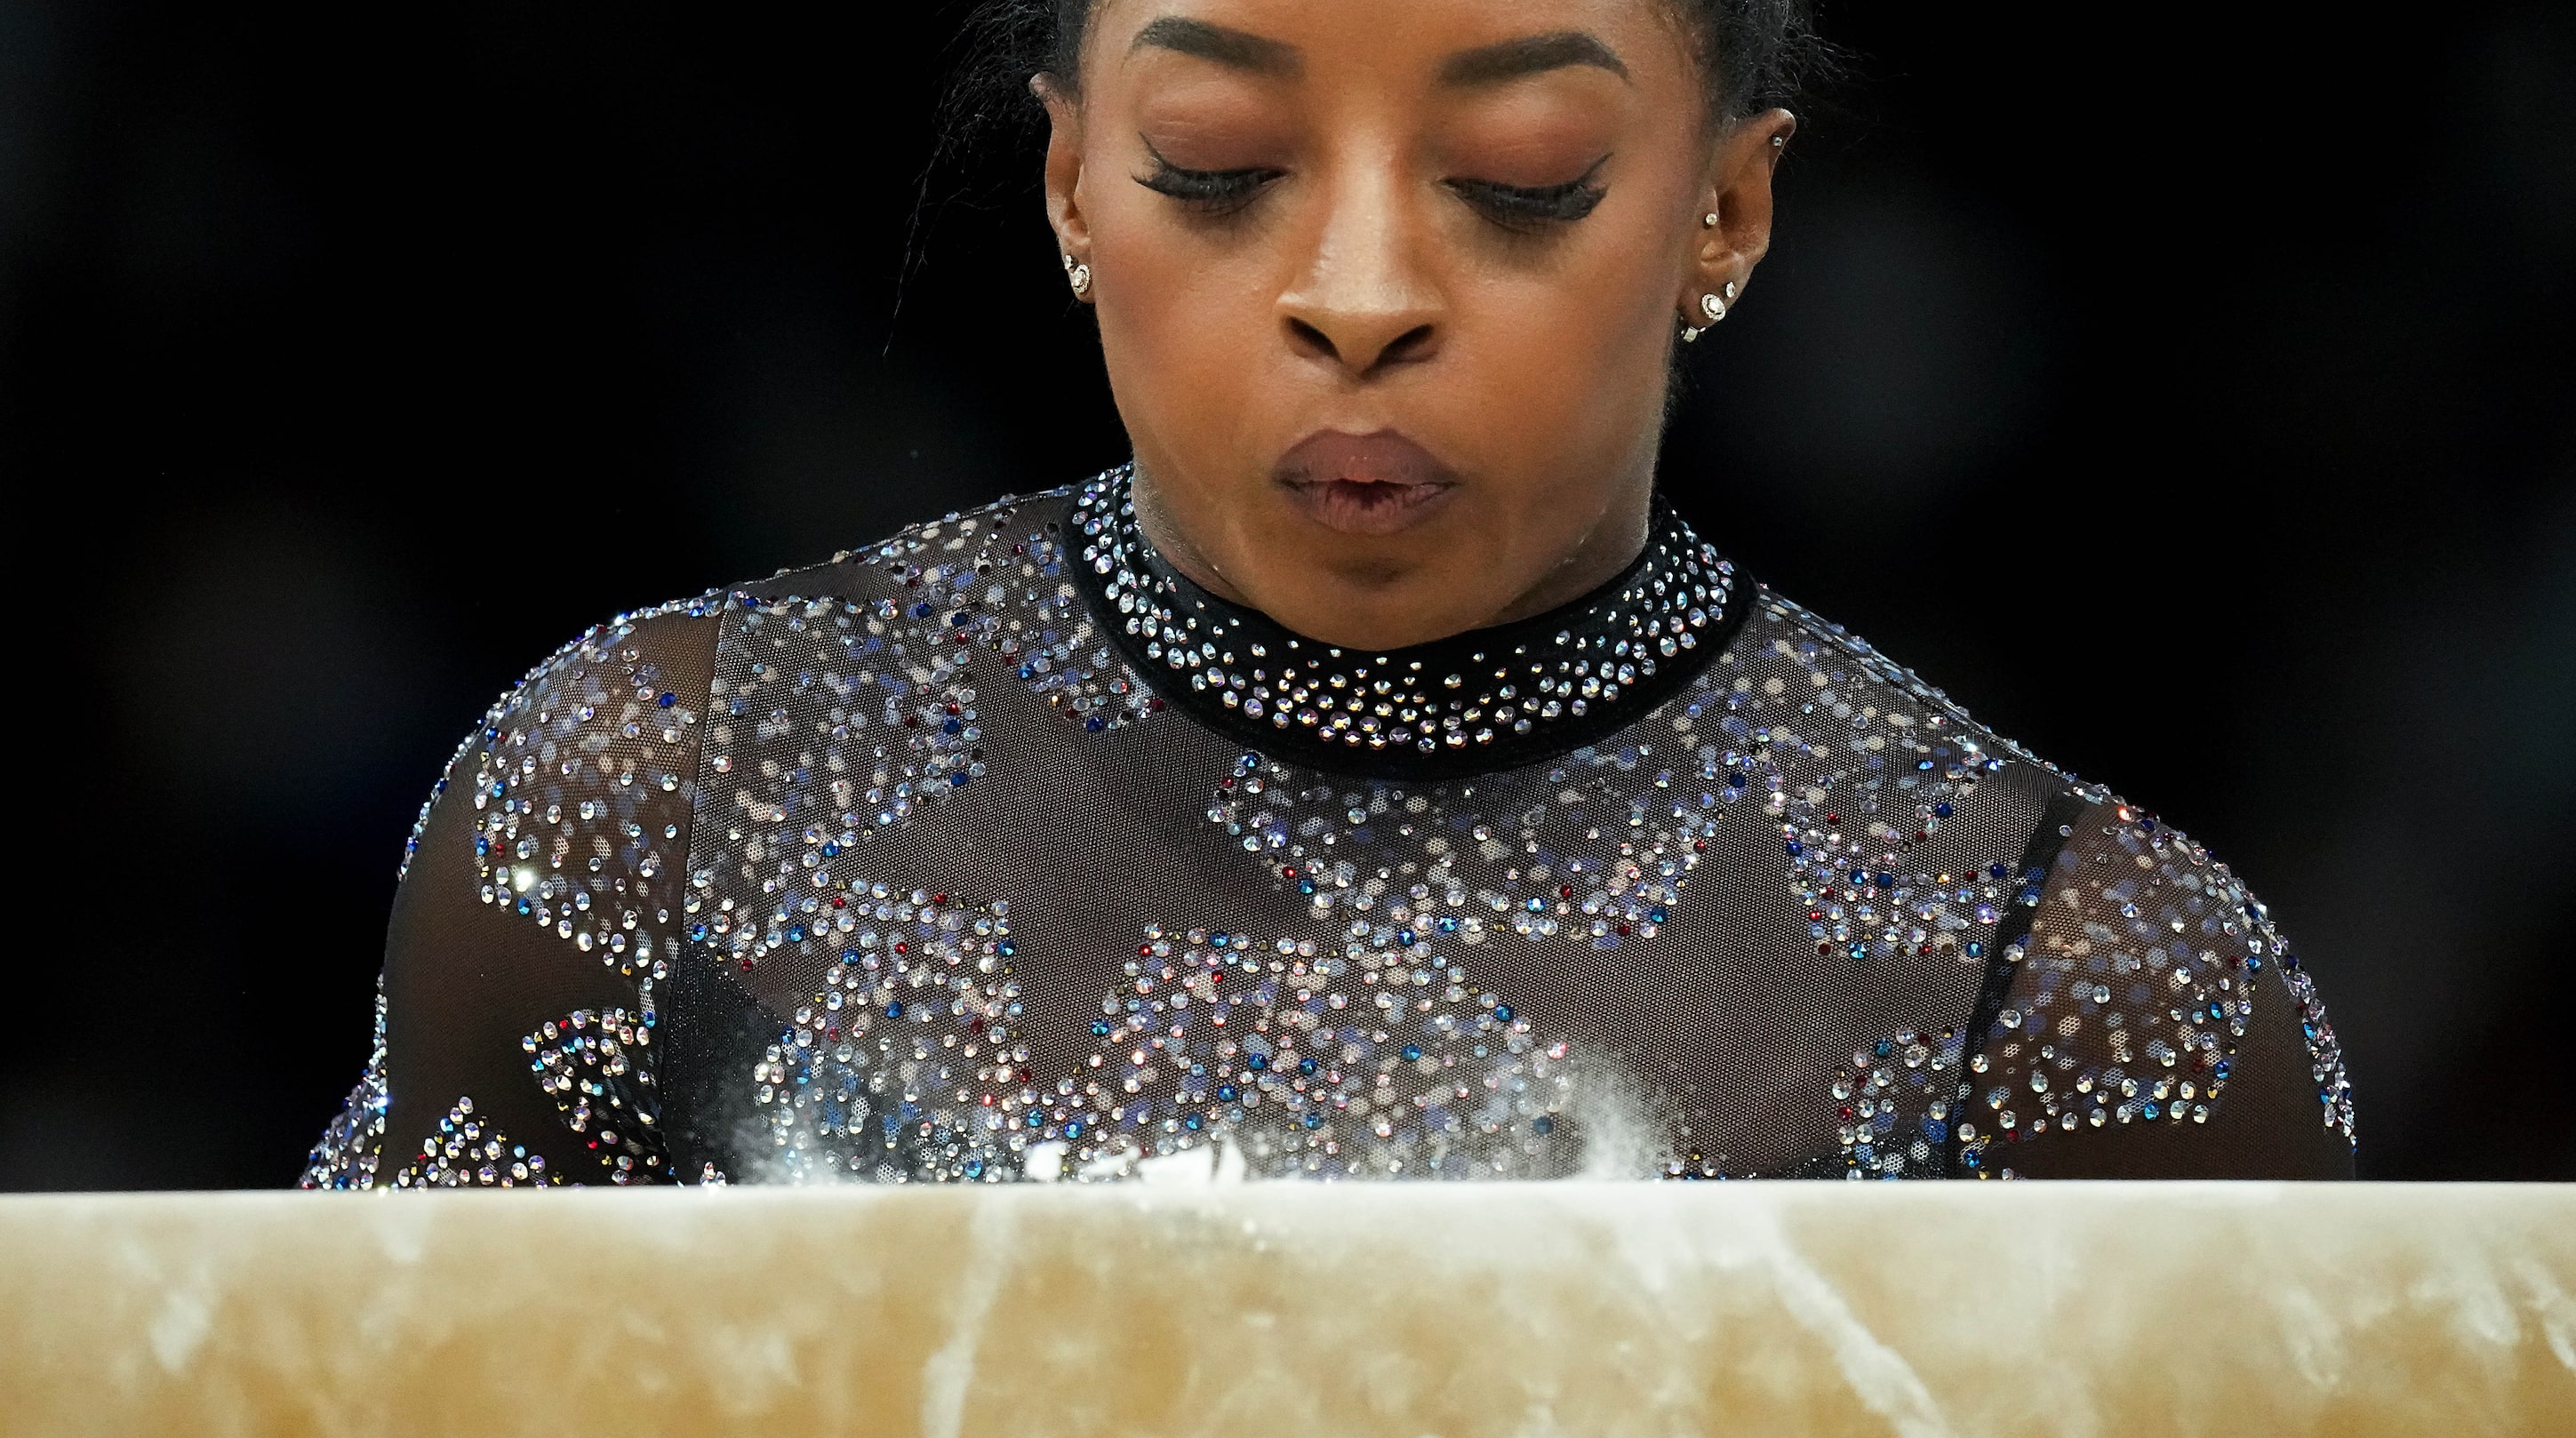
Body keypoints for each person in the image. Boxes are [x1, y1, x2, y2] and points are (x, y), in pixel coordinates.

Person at [301, 0, 2354, 1189]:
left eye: (1525, 176)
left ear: (1726, 207)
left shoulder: (2064, 980)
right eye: (1215, 162)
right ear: (1070, 184)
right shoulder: (660, 806)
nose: (1359, 297)